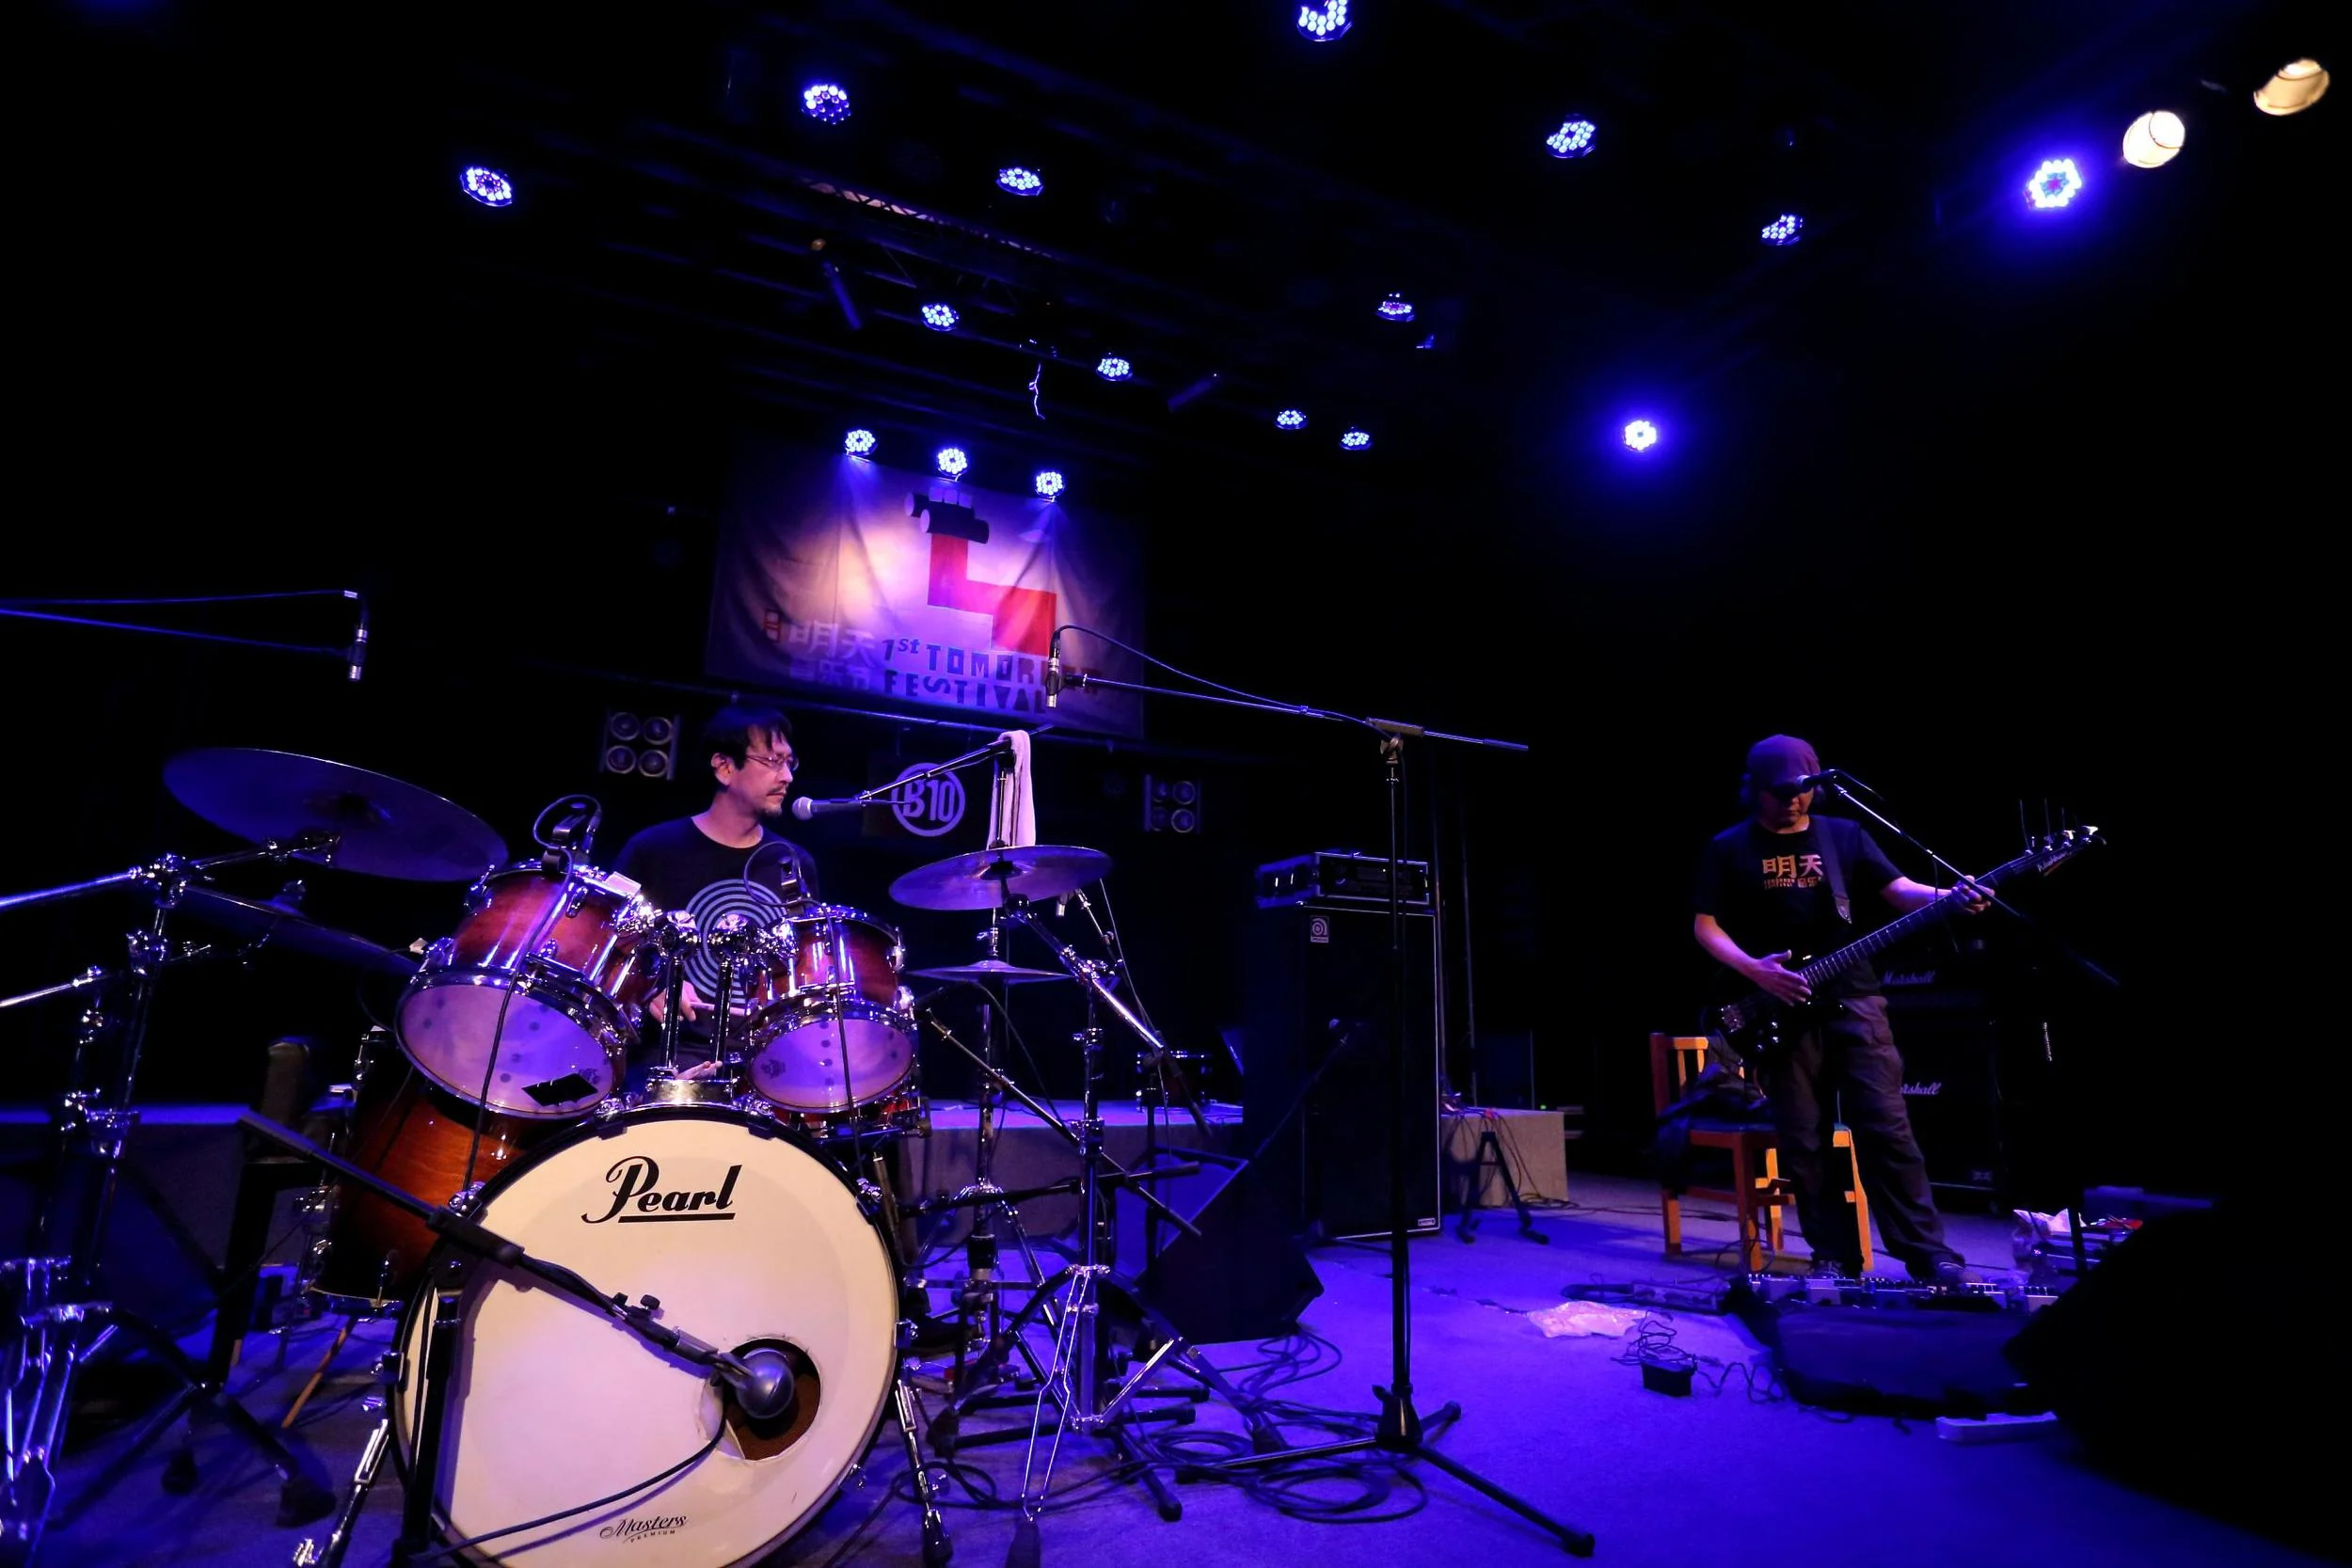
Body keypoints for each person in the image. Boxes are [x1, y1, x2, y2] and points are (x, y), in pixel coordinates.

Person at [1690, 734, 1988, 1285]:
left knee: (1887, 1127)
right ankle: (1834, 1255)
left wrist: (1948, 897)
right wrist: (1754, 970)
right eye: (1780, 793)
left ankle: (1928, 1254)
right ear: (1754, 790)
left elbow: (1900, 890)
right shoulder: (1728, 847)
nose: (1793, 802)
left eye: (1802, 791)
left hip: (1854, 996)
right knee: (1804, 1137)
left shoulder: (1844, 835)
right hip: (1776, 1004)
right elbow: (1704, 925)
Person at [612, 702, 820, 1082]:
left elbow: (804, 968)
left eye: (790, 762)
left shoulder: (794, 863)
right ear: (724, 767)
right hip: (665, 1055)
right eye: (772, 761)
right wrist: (648, 987)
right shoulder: (652, 849)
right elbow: (605, 942)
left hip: (764, 1064)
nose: (787, 776)